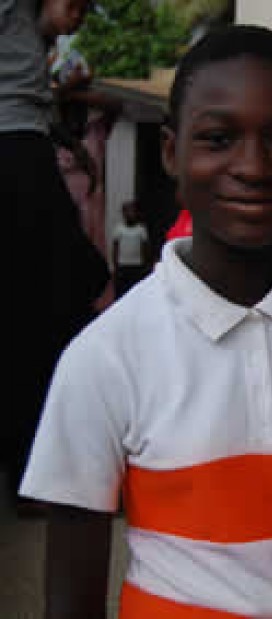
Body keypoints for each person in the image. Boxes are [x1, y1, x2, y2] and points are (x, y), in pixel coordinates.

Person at [20, 25, 272, 619]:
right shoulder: (107, 356)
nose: (254, 167)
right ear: (171, 152)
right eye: (218, 138)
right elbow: (71, 596)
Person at [2, 0, 108, 512]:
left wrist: (64, 138)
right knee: (56, 304)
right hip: (14, 155)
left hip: (27, 147)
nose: (76, 19)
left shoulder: (29, 38)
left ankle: (40, 470)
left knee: (50, 308)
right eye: (76, 8)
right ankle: (42, 472)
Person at [111, 200, 151, 297]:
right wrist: (115, 265)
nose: (130, 214)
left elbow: (145, 248)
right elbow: (115, 248)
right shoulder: (118, 229)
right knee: (121, 293)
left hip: (137, 266)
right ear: (123, 213)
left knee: (136, 292)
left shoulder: (141, 229)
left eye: (132, 211)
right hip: (122, 266)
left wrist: (146, 264)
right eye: (127, 211)